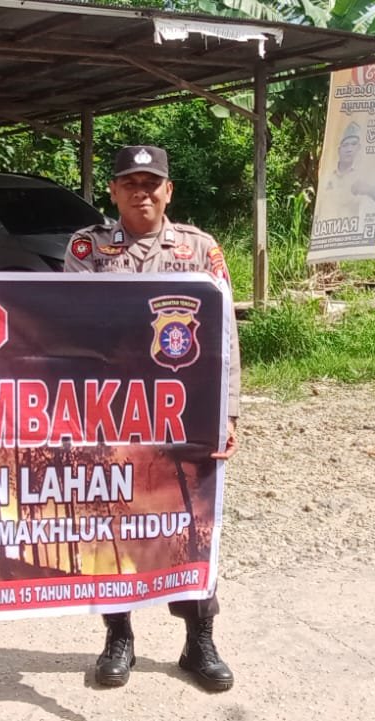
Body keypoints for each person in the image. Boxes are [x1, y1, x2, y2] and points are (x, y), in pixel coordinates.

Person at [64, 145, 240, 693]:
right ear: (113, 191)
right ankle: (118, 636)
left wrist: (228, 411)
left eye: (151, 183)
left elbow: (225, 332)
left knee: (191, 520)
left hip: (185, 410)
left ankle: (199, 640)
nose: (141, 192)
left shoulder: (199, 248)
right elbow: (66, 323)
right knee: (112, 519)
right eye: (130, 183)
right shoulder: (88, 248)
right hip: (111, 408)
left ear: (169, 191)